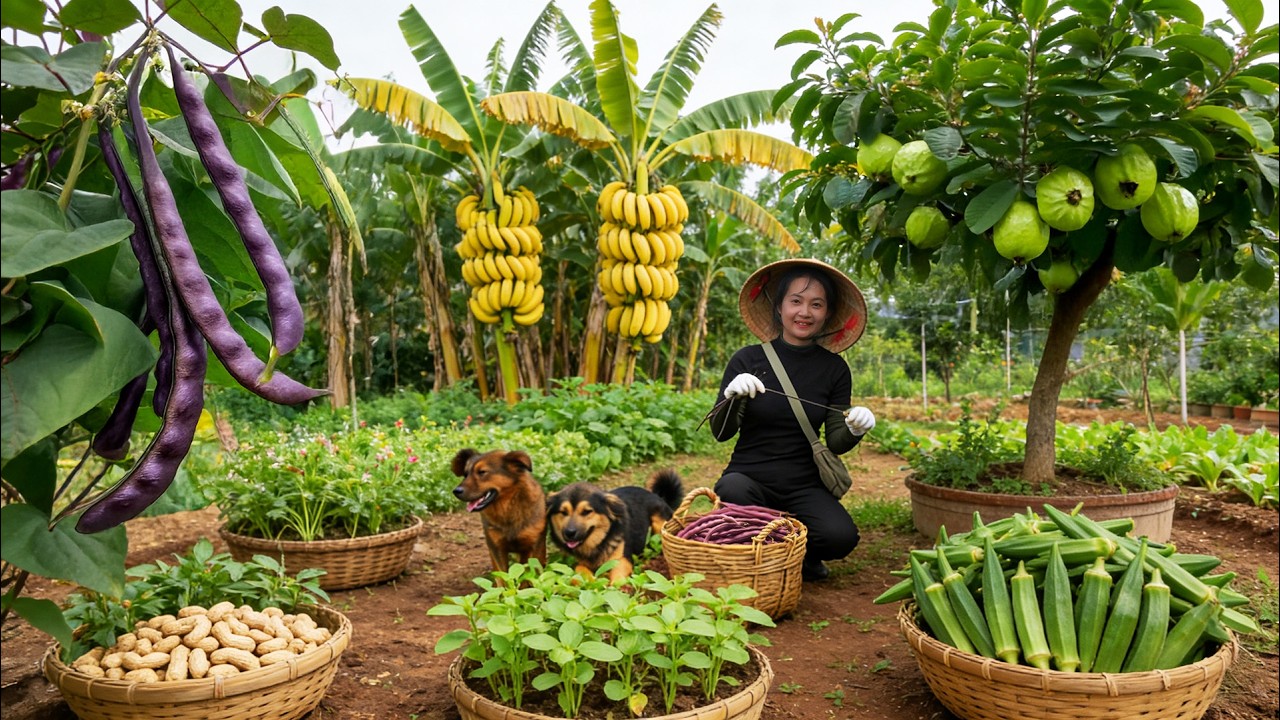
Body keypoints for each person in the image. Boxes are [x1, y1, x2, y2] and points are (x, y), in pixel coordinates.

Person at [707, 258, 876, 582]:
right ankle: (773, 553)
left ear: (827, 313)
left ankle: (799, 554)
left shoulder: (835, 369)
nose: (805, 312)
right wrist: (732, 397)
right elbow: (721, 433)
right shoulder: (748, 359)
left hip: (804, 483)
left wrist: (855, 427)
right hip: (749, 478)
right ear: (779, 307)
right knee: (732, 490)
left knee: (840, 536)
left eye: (816, 304)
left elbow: (837, 442)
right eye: (795, 301)